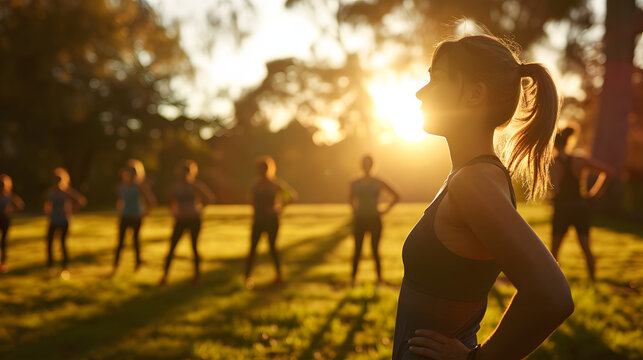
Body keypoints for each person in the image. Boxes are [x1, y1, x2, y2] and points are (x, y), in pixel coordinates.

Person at [393, 34, 574, 360]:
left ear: (475, 94)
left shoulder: (473, 183)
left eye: (437, 80)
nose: (420, 92)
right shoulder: (468, 177)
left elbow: (553, 295)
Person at [549, 125, 614, 282]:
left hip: (562, 209)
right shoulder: (579, 160)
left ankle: (552, 283)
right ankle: (593, 282)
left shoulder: (553, 164)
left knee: (554, 252)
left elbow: (555, 190)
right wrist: (593, 194)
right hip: (580, 208)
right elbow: (609, 172)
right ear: (568, 142)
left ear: (554, 144)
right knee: (586, 248)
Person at [244, 155, 297, 289]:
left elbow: (291, 197)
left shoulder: (275, 185)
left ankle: (279, 276)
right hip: (258, 220)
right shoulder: (256, 185)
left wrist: (278, 208)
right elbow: (250, 199)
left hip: (271, 220)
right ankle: (247, 277)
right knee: (253, 249)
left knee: (272, 248)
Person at [160, 160, 215, 285]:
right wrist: (175, 211)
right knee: (172, 247)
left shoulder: (194, 185)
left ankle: (197, 277)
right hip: (180, 220)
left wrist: (199, 209)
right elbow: (171, 201)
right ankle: (164, 276)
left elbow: (209, 198)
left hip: (193, 219)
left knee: (194, 248)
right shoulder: (175, 187)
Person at [349, 154, 399, 286]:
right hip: (360, 220)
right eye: (364, 164)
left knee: (375, 250)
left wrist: (384, 210)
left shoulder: (378, 182)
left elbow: (396, 196)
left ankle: (379, 280)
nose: (366, 167)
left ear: (372, 165)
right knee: (357, 250)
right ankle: (353, 280)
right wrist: (354, 211)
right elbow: (350, 199)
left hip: (374, 220)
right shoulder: (355, 182)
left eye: (368, 164)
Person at [112, 159, 156, 275]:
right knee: (120, 242)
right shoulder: (122, 186)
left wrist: (144, 213)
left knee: (136, 241)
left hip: (136, 217)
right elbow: (120, 200)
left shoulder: (140, 186)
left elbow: (151, 201)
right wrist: (120, 209)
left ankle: (138, 264)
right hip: (125, 216)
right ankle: (115, 265)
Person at [44, 168, 87, 278]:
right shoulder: (50, 192)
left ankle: (64, 267)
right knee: (49, 243)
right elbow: (47, 204)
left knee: (62, 244)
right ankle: (50, 266)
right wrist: (48, 212)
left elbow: (81, 201)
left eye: (59, 179)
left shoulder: (66, 191)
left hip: (64, 221)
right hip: (53, 220)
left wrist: (71, 210)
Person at [0, 174, 25, 273]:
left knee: (3, 242)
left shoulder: (10, 195)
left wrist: (10, 210)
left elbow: (20, 205)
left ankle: (3, 263)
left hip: (5, 220)